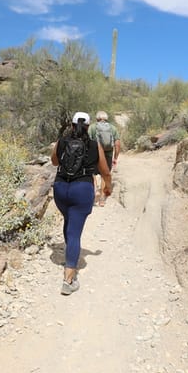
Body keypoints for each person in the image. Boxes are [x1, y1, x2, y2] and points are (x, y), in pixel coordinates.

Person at [51, 111, 112, 295]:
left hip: (61, 188)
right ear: (88, 127)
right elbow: (105, 171)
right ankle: (68, 280)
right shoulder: (94, 145)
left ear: (71, 125)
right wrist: (107, 188)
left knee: (69, 221)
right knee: (75, 231)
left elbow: (54, 162)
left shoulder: (61, 142)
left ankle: (69, 255)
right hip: (82, 189)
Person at [88, 111, 121, 206]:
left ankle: (94, 192)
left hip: (95, 153)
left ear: (97, 118)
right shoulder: (113, 128)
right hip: (108, 154)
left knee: (92, 173)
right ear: (106, 118)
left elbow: (88, 141)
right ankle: (102, 198)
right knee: (104, 175)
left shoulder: (93, 127)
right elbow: (117, 144)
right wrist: (115, 158)